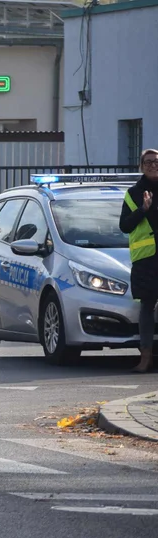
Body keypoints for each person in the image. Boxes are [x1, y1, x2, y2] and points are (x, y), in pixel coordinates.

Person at [122, 148, 158, 373]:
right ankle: (146, 358)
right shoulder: (134, 193)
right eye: (148, 162)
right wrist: (143, 210)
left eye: (156, 161)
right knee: (146, 308)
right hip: (146, 260)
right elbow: (124, 226)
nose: (153, 165)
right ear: (141, 166)